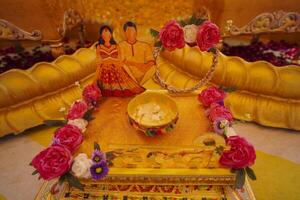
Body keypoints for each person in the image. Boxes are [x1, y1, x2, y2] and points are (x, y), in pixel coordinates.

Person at [94, 25, 144, 97]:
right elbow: (99, 60)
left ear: (111, 35)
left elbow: (119, 59)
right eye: (104, 33)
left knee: (127, 88)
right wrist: (107, 61)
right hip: (104, 70)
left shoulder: (116, 46)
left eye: (108, 33)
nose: (106, 35)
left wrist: (111, 60)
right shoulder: (99, 47)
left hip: (116, 68)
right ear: (101, 35)